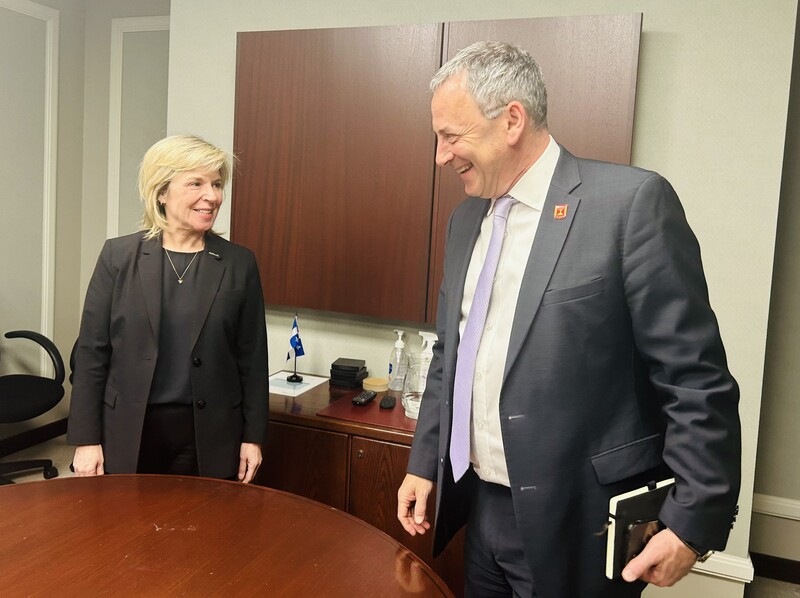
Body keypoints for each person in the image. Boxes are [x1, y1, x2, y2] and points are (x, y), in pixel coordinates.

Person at [397, 42, 741, 597]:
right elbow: (450, 358)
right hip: (480, 508)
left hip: (579, 520)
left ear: (512, 119)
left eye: (451, 136)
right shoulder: (466, 221)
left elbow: (695, 379)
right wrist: (425, 463)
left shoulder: (629, 206)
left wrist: (691, 523)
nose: (441, 156)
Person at [68, 134, 268, 483]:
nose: (214, 196)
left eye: (217, 184)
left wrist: (253, 437)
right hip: (129, 428)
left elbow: (252, 361)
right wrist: (86, 439)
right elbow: (91, 354)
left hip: (209, 432)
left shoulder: (239, 263)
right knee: (125, 529)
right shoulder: (118, 257)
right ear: (162, 191)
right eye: (196, 183)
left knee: (204, 529)